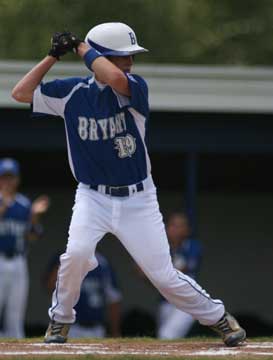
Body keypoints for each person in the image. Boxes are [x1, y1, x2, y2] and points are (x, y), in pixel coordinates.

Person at [11, 22, 246, 346]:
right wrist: (53, 56)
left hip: (138, 197)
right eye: (122, 56)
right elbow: (20, 92)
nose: (130, 62)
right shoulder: (72, 93)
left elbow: (116, 79)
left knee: (163, 276)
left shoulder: (134, 87)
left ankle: (220, 318)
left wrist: (81, 47)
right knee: (76, 255)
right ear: (102, 56)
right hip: (92, 196)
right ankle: (60, 321)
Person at [0, 158, 50, 338]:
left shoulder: (24, 204)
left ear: (17, 179)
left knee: (15, 315)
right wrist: (4, 204)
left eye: (10, 177)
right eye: (4, 177)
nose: (7, 181)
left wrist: (34, 216)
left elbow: (34, 236)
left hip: (18, 262)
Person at [44, 251, 122, 338]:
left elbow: (113, 299)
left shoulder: (102, 262)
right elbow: (51, 287)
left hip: (97, 328)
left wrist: (115, 331)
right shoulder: (65, 258)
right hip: (71, 327)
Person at [157, 212, 202, 339]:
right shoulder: (161, 247)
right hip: (165, 301)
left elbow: (180, 270)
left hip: (187, 301)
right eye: (172, 225)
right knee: (166, 339)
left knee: (166, 335)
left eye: (179, 226)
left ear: (187, 230)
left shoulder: (193, 247)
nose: (174, 229)